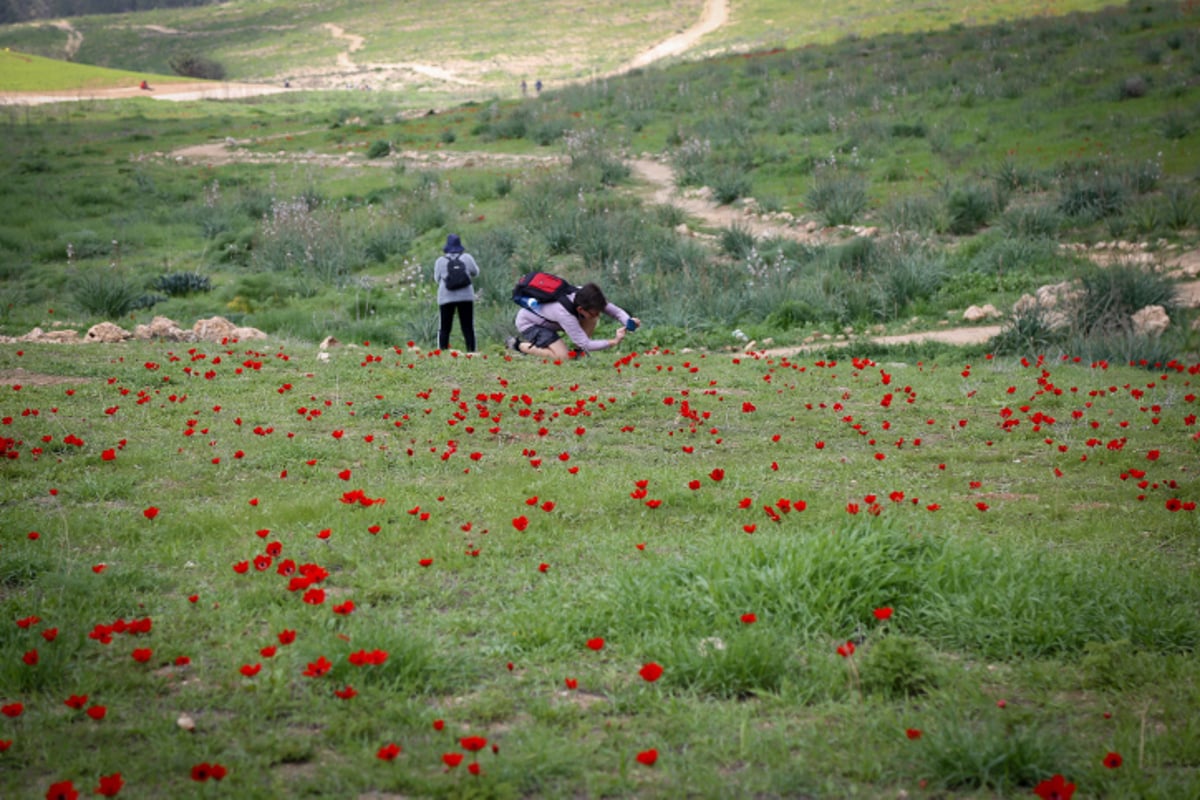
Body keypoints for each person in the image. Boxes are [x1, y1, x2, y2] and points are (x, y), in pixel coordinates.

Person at [507, 281, 638, 359]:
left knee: (590, 320)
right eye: (594, 312)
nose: (598, 315)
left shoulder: (583, 294)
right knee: (563, 357)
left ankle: (578, 353)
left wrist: (629, 322)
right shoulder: (564, 314)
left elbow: (615, 311)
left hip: (550, 319)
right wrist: (613, 342)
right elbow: (586, 343)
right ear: (581, 309)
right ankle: (517, 345)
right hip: (530, 323)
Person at [433, 234, 479, 352]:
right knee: (468, 326)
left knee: (445, 327)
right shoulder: (467, 258)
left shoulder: (440, 261)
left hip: (446, 297)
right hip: (466, 297)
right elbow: (476, 272)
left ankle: (442, 351)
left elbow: (436, 278)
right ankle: (471, 351)